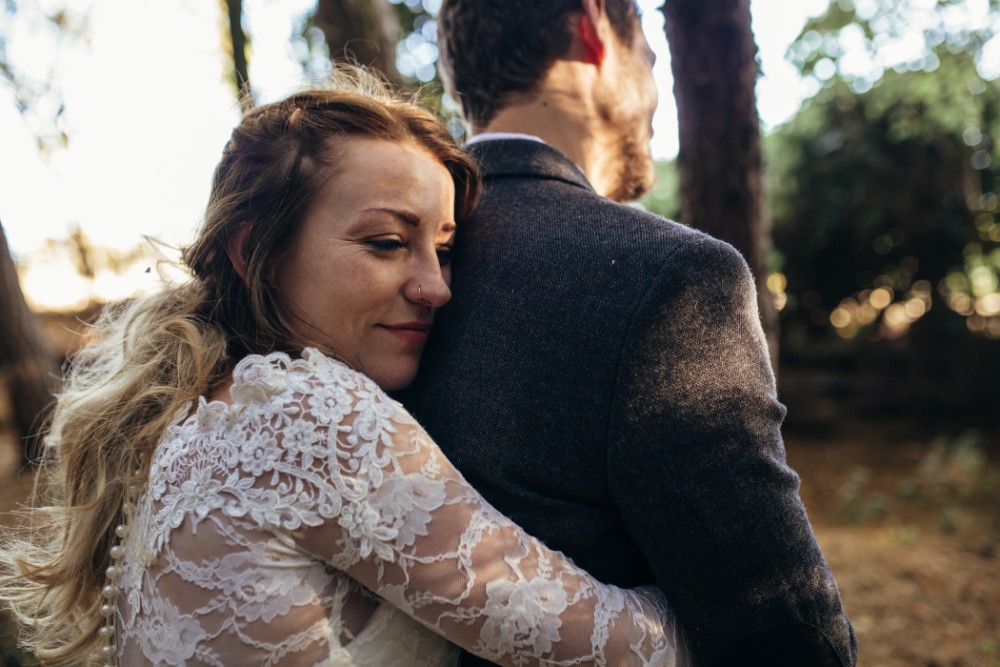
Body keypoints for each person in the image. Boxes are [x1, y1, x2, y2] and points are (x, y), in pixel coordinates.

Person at [0, 74, 691, 665]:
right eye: (388, 242)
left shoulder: (195, 406)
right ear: (255, 253)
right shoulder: (306, 414)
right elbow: (615, 645)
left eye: (444, 249)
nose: (437, 287)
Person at [398, 1, 858, 666]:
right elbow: (787, 637)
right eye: (648, 54)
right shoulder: (674, 278)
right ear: (594, 27)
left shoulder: (371, 268)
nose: (654, 89)